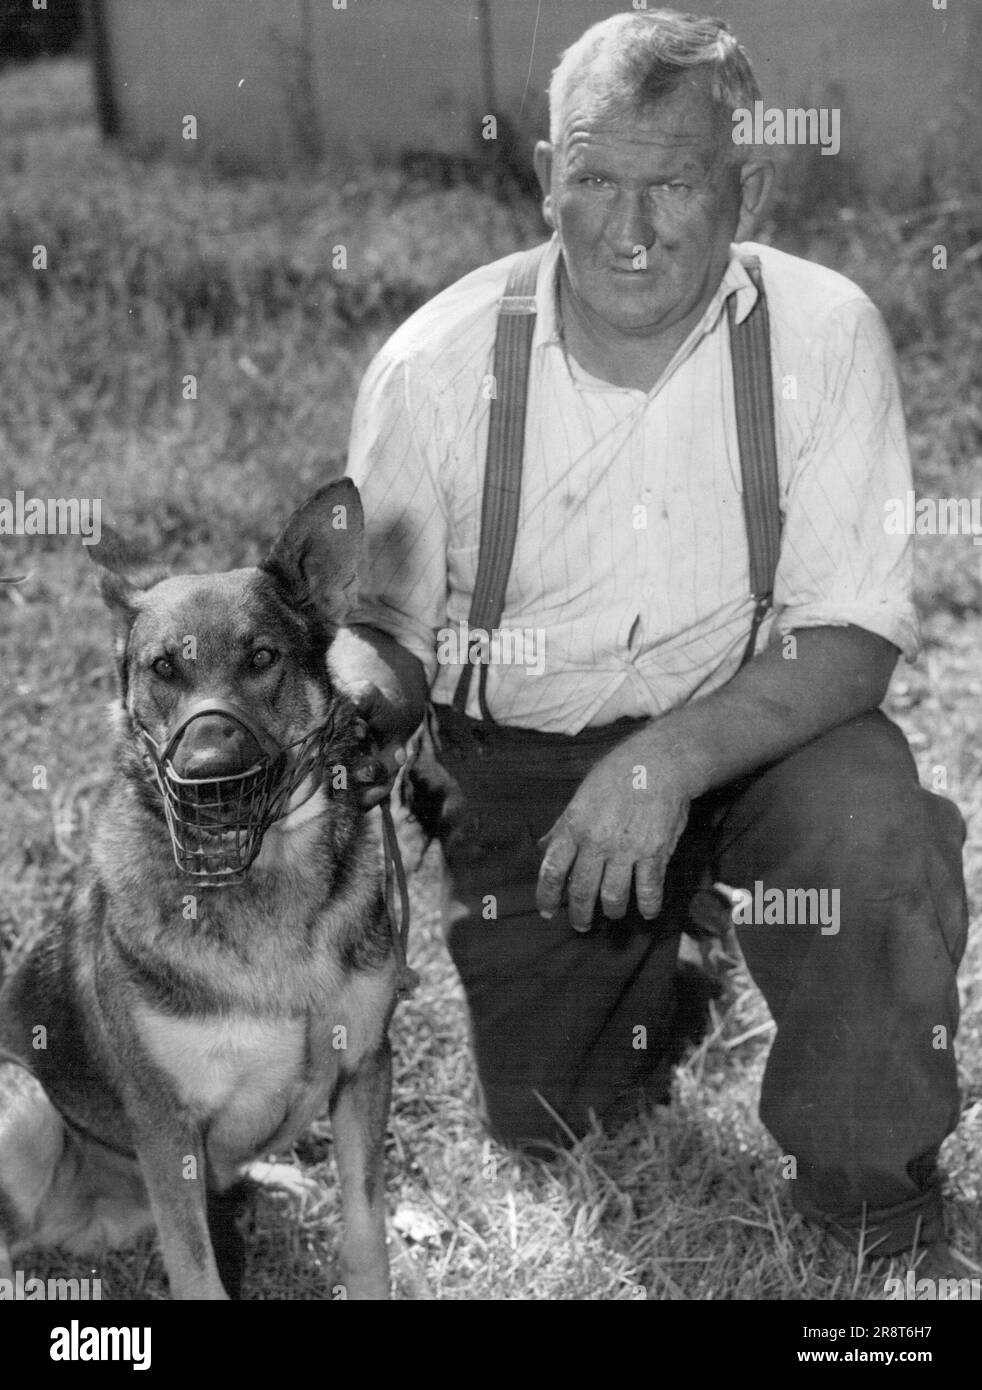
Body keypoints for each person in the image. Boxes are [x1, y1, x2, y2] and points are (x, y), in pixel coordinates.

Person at [332, 9, 969, 1268]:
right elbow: (386, 636)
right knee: (552, 1121)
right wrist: (333, 713)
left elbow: (850, 637)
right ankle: (669, 958)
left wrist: (663, 766)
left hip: (748, 732)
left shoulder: (824, 333)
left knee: (870, 828)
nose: (628, 231)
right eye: (595, 180)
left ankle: (872, 1206)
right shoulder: (436, 367)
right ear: (543, 179)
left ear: (748, 185)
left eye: (672, 183)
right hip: (522, 762)